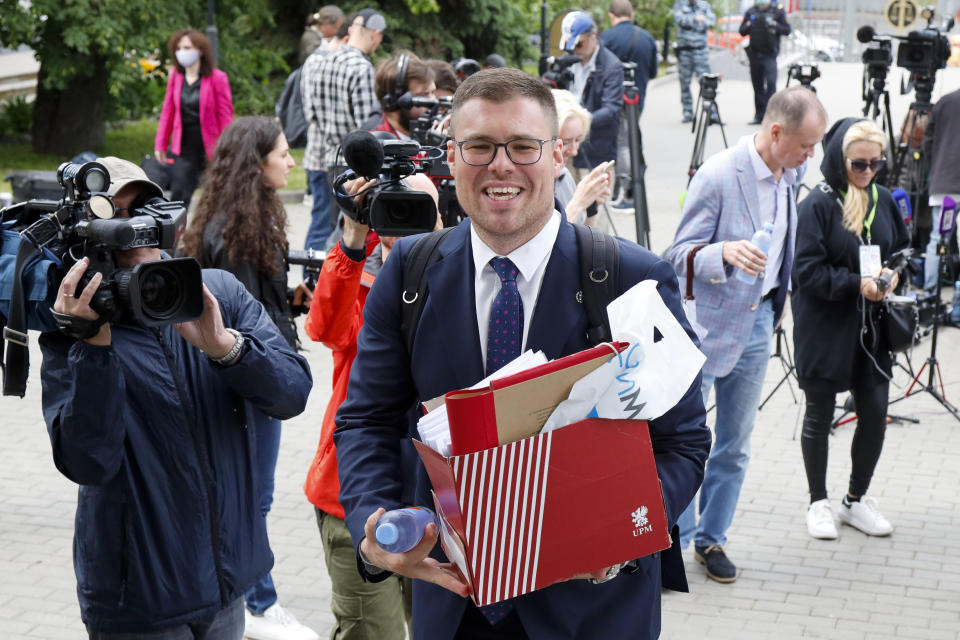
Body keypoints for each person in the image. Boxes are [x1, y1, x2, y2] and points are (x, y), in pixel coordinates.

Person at [333, 68, 710, 640]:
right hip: (455, 605)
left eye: (523, 146)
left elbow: (683, 442)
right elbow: (366, 420)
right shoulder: (408, 275)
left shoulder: (631, 278)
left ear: (558, 154)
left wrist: (617, 534)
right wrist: (372, 524)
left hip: (594, 610)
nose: (500, 165)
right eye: (479, 146)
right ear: (453, 158)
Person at [38, 157, 312, 638]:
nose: (134, 231)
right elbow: (89, 463)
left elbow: (292, 394)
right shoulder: (74, 333)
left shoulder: (218, 293)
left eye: (143, 210)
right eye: (114, 219)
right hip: (140, 600)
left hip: (228, 584)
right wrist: (94, 347)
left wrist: (226, 349)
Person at [665, 86, 827, 583]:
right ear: (776, 132)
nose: (812, 157)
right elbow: (676, 255)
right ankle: (674, 537)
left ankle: (712, 539)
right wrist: (724, 254)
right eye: (806, 145)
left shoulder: (790, 172)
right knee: (687, 439)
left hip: (760, 322)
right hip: (708, 327)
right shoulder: (717, 175)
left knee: (735, 443)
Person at [177, 117, 318, 640]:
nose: (291, 161)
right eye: (282, 153)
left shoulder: (246, 218)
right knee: (252, 494)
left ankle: (248, 594)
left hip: (251, 368)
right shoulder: (234, 231)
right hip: (245, 377)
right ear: (256, 161)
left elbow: (260, 305)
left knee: (251, 492)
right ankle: (257, 601)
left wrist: (292, 303)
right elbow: (235, 317)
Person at [303, 172, 440, 640]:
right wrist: (354, 231)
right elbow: (322, 328)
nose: (403, 226)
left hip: (439, 504)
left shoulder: (464, 280)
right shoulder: (358, 281)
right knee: (372, 633)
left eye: (417, 211)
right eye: (392, 212)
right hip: (354, 497)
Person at [793, 118, 909, 540]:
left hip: (872, 330)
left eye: (876, 163)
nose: (868, 171)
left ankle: (855, 501)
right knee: (819, 415)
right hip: (825, 328)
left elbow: (901, 250)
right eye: (859, 164)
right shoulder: (818, 204)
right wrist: (854, 284)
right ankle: (817, 502)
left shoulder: (882, 197)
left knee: (875, 415)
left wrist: (893, 276)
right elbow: (804, 272)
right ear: (839, 159)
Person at [301, 9, 385, 253]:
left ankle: (315, 281)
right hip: (352, 164)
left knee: (328, 225)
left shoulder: (324, 61)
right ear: (375, 36)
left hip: (329, 158)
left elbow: (312, 115)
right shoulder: (361, 68)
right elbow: (366, 126)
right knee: (347, 233)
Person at [155, 29, 233, 210]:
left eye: (187, 47)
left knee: (217, 194)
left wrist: (229, 146)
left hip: (210, 145)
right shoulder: (176, 75)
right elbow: (168, 111)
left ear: (201, 50)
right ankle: (174, 235)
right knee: (180, 192)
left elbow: (225, 116)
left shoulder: (217, 78)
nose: (183, 51)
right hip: (183, 145)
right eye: (179, 48)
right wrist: (161, 143)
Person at [601, 0, 659, 208]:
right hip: (637, 98)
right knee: (630, 140)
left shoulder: (606, 38)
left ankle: (627, 193)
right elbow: (653, 72)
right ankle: (627, 188)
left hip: (614, 99)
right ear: (631, 15)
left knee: (622, 143)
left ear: (611, 15)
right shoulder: (647, 38)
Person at [559, 11, 624, 174]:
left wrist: (580, 122)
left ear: (593, 36)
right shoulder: (569, 60)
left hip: (595, 149)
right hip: (565, 147)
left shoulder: (611, 66)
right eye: (570, 46)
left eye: (579, 44)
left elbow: (611, 110)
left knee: (595, 198)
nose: (574, 50)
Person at [552, 88, 611, 225]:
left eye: (578, 140)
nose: (574, 152)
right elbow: (553, 244)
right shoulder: (533, 183)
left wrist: (591, 205)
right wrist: (578, 204)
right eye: (565, 143)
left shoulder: (564, 176)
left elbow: (583, 239)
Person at [922, 87, 960, 291]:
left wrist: (937, 167)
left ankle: (930, 292)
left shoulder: (944, 102)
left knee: (937, 238)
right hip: (946, 183)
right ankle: (957, 304)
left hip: (944, 184)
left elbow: (927, 143)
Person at [739, 1, 791, 125]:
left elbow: (787, 30)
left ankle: (771, 115)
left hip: (770, 55)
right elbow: (742, 31)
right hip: (754, 54)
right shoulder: (751, 11)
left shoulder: (777, 11)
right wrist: (748, 25)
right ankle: (759, 115)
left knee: (771, 83)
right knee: (757, 86)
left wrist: (774, 25)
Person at [363, 54, 437, 138]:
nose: (433, 100)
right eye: (423, 95)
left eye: (433, 92)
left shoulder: (429, 133)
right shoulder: (374, 144)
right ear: (393, 102)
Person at [673, 0, 715, 123]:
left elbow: (710, 22)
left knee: (706, 83)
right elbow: (680, 20)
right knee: (684, 83)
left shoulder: (705, 6)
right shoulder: (680, 4)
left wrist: (690, 21)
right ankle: (687, 112)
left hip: (700, 51)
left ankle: (710, 112)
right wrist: (697, 19)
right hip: (685, 51)